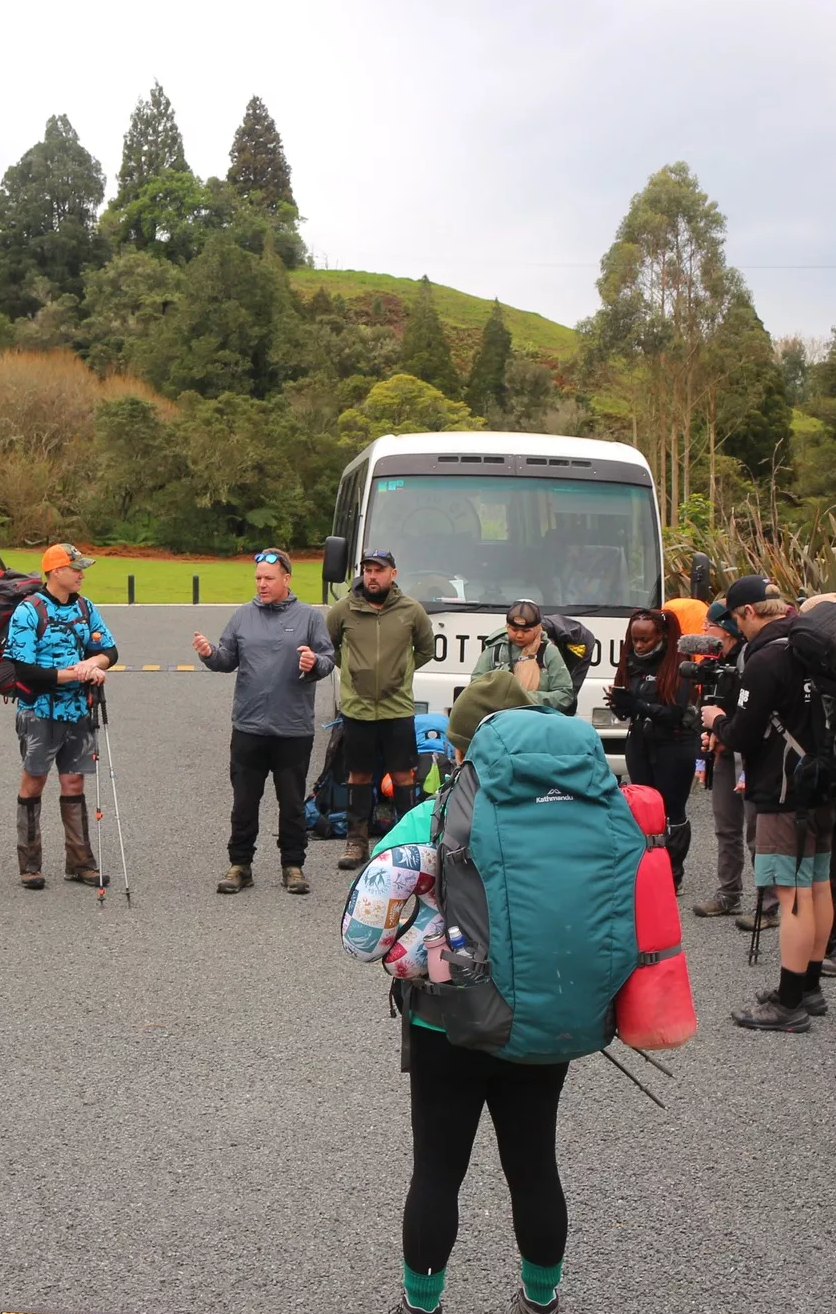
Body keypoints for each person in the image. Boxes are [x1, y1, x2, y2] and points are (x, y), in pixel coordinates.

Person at [361, 670, 576, 1314]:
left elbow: (364, 931)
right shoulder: (574, 816)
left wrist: (407, 952)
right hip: (543, 1015)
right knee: (535, 1163)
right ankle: (541, 1299)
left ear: (458, 749)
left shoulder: (430, 819)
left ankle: (421, 1303)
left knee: (437, 1170)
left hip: (445, 1022)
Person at [705, 574, 834, 1032]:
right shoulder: (806, 647)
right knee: (817, 886)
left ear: (747, 613)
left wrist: (717, 719)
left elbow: (742, 733)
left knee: (792, 894)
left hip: (782, 790)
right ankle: (808, 988)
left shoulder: (764, 659)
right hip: (820, 781)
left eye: (736, 619)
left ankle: (789, 1004)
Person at [194, 548, 336, 894]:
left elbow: (329, 660)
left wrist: (314, 662)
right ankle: (240, 865)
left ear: (286, 579)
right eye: (258, 578)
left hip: (292, 729)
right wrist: (210, 654)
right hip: (249, 727)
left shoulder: (309, 618)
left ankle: (293, 866)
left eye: (268, 579)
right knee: (244, 802)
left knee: (291, 803)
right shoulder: (242, 616)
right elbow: (228, 659)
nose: (261, 584)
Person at [6, 542, 119, 891]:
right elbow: (24, 671)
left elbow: (110, 651)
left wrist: (93, 665)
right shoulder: (28, 612)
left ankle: (80, 862)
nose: (81, 574)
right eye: (75, 568)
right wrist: (74, 673)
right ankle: (30, 864)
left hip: (77, 711)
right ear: (56, 571)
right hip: (40, 712)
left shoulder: (85, 608)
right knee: (34, 781)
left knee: (74, 783)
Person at [325, 549, 437, 871]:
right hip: (357, 710)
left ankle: (406, 840)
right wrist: (353, 671)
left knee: (403, 775)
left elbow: (426, 649)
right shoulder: (344, 610)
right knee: (358, 774)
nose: (372, 576)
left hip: (397, 709)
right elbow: (328, 645)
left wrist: (399, 674)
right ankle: (356, 842)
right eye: (367, 570)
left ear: (393, 573)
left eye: (379, 570)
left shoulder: (411, 611)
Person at [690, 600, 774, 926]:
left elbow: (753, 713)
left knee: (757, 831)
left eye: (708, 625)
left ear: (726, 627)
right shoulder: (716, 661)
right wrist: (710, 735)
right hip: (723, 751)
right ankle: (729, 893)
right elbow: (707, 707)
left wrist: (726, 729)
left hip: (751, 754)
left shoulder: (751, 658)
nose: (702, 631)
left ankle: (767, 904)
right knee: (726, 827)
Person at [607, 608, 700, 887]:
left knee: (671, 809)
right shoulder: (631, 663)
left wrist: (640, 706)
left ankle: (672, 873)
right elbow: (628, 711)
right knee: (642, 807)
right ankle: (645, 866)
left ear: (661, 636)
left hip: (674, 742)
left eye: (645, 640)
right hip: (640, 741)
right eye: (634, 640)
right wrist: (621, 705)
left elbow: (675, 712)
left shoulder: (679, 664)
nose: (638, 645)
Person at [468, 600, 575, 713]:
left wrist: (524, 699)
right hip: (499, 718)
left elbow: (565, 694)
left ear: (537, 629)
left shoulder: (549, 652)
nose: (519, 635)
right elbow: (476, 687)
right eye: (514, 630)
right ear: (507, 627)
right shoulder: (495, 650)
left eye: (526, 631)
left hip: (538, 719)